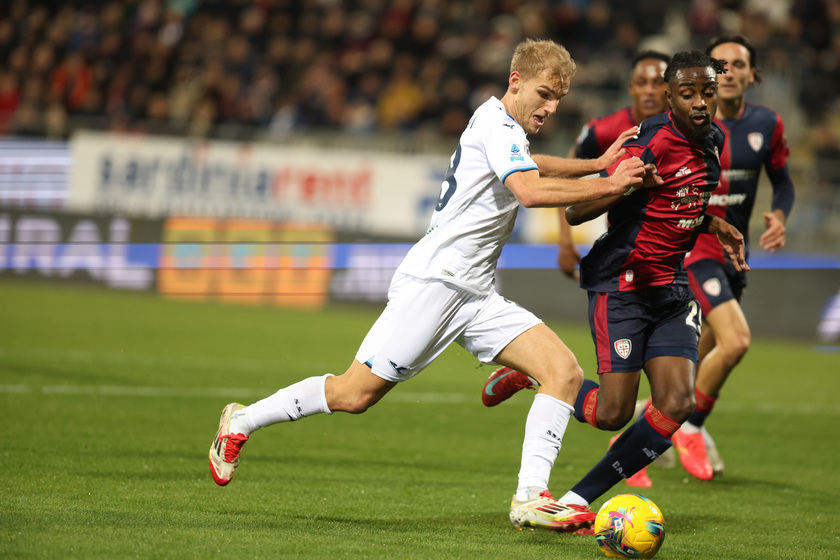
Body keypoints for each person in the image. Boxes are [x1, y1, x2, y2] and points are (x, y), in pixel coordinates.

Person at [208, 39, 650, 532]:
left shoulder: (508, 129)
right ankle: (241, 421)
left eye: (559, 101)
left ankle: (531, 497)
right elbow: (528, 190)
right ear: (515, 81)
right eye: (545, 94)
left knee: (564, 372)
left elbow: (534, 164)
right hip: (435, 284)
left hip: (476, 293)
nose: (550, 107)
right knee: (355, 394)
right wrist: (612, 184)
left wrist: (596, 165)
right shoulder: (494, 123)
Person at [485, 50, 748, 512]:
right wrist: (626, 183)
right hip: (622, 284)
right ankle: (532, 376)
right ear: (670, 98)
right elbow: (577, 210)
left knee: (676, 404)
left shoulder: (714, 139)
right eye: (688, 94)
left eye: (708, 92)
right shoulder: (650, 140)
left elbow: (677, 204)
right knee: (611, 414)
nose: (701, 102)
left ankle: (577, 500)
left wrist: (712, 224)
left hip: (671, 288)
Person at [483, 50, 673, 488]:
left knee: (663, 400)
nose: (649, 90)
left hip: (670, 274)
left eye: (657, 84)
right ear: (631, 87)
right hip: (620, 273)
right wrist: (566, 240)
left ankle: (681, 434)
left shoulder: (692, 135)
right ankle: (553, 482)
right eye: (641, 82)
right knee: (612, 411)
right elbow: (548, 181)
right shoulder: (609, 131)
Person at [671, 34, 795, 481]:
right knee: (737, 341)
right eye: (719, 65)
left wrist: (779, 215)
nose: (729, 72)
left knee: (693, 370)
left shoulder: (768, 124)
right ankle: (692, 429)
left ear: (751, 74)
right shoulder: (688, 125)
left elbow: (783, 182)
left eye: (738, 64)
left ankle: (651, 425)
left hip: (735, 253)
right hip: (695, 247)